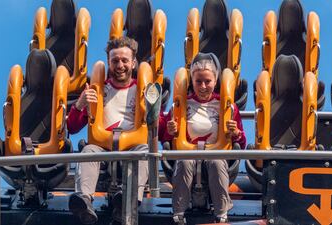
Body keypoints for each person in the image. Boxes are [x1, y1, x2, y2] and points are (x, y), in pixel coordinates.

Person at [67, 37, 149, 225]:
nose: (120, 65)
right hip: (103, 147)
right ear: (109, 63)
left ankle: (127, 201)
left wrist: (153, 111)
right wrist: (80, 105)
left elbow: (158, 126)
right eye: (115, 61)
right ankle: (84, 201)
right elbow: (72, 127)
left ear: (133, 63)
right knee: (88, 151)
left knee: (144, 152)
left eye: (124, 61)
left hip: (132, 148)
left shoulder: (142, 90)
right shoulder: (99, 89)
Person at [159, 52, 246, 224]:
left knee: (216, 162)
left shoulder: (227, 106)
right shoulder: (182, 104)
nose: (203, 86)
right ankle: (178, 213)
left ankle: (221, 214)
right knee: (184, 162)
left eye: (208, 81)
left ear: (215, 81)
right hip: (187, 153)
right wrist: (171, 130)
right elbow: (166, 140)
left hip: (215, 153)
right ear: (192, 81)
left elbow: (240, 143)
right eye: (198, 81)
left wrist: (236, 132)